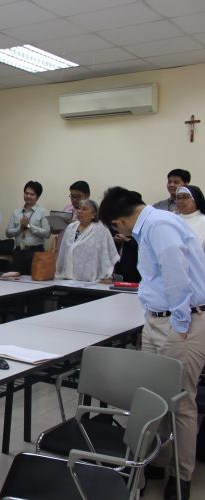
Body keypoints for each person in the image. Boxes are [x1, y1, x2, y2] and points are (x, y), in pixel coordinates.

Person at [99, 186, 205, 500]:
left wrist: (181, 327)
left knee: (181, 405)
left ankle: (180, 478)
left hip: (179, 323)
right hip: (158, 320)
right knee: (153, 397)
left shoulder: (158, 225)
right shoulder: (150, 227)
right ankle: (155, 463)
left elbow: (178, 277)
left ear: (118, 221)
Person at [55, 199, 118, 282]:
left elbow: (106, 254)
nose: (79, 211)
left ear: (93, 214)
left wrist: (107, 275)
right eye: (78, 208)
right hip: (67, 277)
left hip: (92, 279)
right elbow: (63, 251)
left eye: (84, 209)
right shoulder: (71, 227)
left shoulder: (101, 229)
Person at [5, 181, 51, 275]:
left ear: (37, 197)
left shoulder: (43, 212)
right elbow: (8, 233)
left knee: (34, 281)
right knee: (16, 282)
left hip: (35, 252)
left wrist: (29, 226)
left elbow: (47, 233)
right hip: (18, 252)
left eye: (32, 194)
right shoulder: (16, 212)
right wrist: (20, 228)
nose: (28, 196)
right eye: (26, 193)